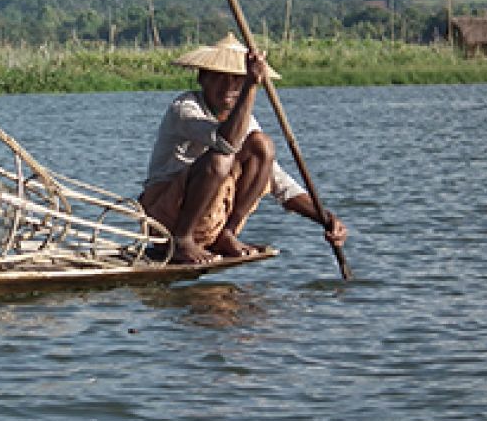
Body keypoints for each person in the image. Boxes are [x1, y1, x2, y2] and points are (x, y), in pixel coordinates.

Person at [138, 33, 348, 264]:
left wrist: (326, 219)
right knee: (221, 159)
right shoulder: (185, 108)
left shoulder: (245, 121)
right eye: (220, 78)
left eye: (237, 79)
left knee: (262, 145)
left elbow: (279, 182)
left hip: (210, 218)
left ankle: (226, 233)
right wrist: (250, 87)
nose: (230, 87)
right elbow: (225, 143)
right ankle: (182, 240)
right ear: (202, 79)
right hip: (164, 216)